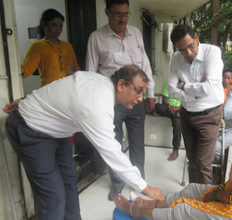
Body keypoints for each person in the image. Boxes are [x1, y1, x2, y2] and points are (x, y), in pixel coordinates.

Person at [114, 75, 232, 220]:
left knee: (182, 211)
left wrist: (214, 196)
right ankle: (149, 204)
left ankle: (138, 211)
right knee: (193, 189)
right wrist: (215, 194)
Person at [3, 65, 164, 220]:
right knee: (53, 195)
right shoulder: (97, 105)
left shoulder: (100, 82)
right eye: (138, 91)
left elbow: (61, 88)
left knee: (69, 181)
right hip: (31, 130)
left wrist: (32, 99)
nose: (140, 98)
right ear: (121, 84)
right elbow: (112, 153)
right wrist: (146, 188)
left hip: (57, 132)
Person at [85, 0, 155, 200]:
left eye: (126, 14)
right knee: (113, 144)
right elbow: (91, 73)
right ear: (107, 12)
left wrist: (149, 93)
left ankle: (139, 183)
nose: (123, 19)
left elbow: (145, 65)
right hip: (111, 102)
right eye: (117, 14)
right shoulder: (97, 38)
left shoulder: (136, 34)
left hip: (136, 99)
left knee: (137, 143)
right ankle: (117, 184)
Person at [168, 24, 224, 184]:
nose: (188, 53)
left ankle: (203, 205)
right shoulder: (176, 58)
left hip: (209, 115)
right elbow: (171, 89)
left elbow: (207, 89)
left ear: (197, 38)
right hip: (186, 115)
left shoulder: (212, 52)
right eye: (182, 50)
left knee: (203, 164)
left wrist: (183, 85)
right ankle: (193, 200)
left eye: (191, 46)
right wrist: (194, 95)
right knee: (192, 161)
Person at [21, 8, 80, 87]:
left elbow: (76, 69)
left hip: (68, 90)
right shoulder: (38, 46)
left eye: (60, 26)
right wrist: (14, 70)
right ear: (44, 23)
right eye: (54, 25)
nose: (58, 29)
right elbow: (28, 68)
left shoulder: (67, 46)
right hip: (48, 92)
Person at [155, 80, 182, 161]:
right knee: (157, 106)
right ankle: (177, 115)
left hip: (179, 109)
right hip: (168, 109)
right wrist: (170, 107)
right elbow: (165, 100)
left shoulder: (185, 84)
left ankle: (175, 150)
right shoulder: (168, 82)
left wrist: (177, 108)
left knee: (177, 122)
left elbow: (184, 102)